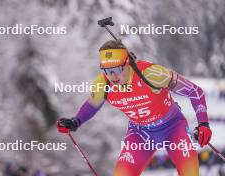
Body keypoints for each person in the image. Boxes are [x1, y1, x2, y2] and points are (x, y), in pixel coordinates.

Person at [57, 40, 212, 176]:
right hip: (140, 134)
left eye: (117, 69)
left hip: (173, 128)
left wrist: (203, 124)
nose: (113, 76)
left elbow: (194, 91)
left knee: (190, 172)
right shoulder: (102, 84)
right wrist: (75, 121)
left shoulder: (150, 74)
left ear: (127, 63)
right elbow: (92, 105)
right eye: (107, 70)